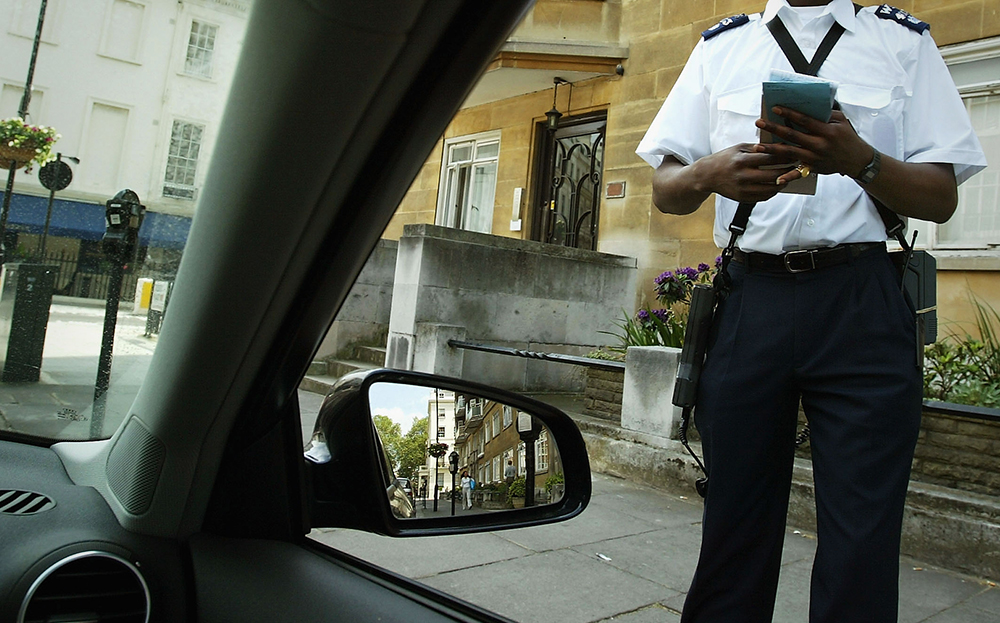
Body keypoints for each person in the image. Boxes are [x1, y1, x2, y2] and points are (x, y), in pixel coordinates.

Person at [635, 2, 986, 622]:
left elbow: (941, 197)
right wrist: (713, 173)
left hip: (863, 299)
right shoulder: (724, 45)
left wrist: (861, 160)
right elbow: (666, 188)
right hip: (751, 297)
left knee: (863, 532)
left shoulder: (900, 42)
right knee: (733, 521)